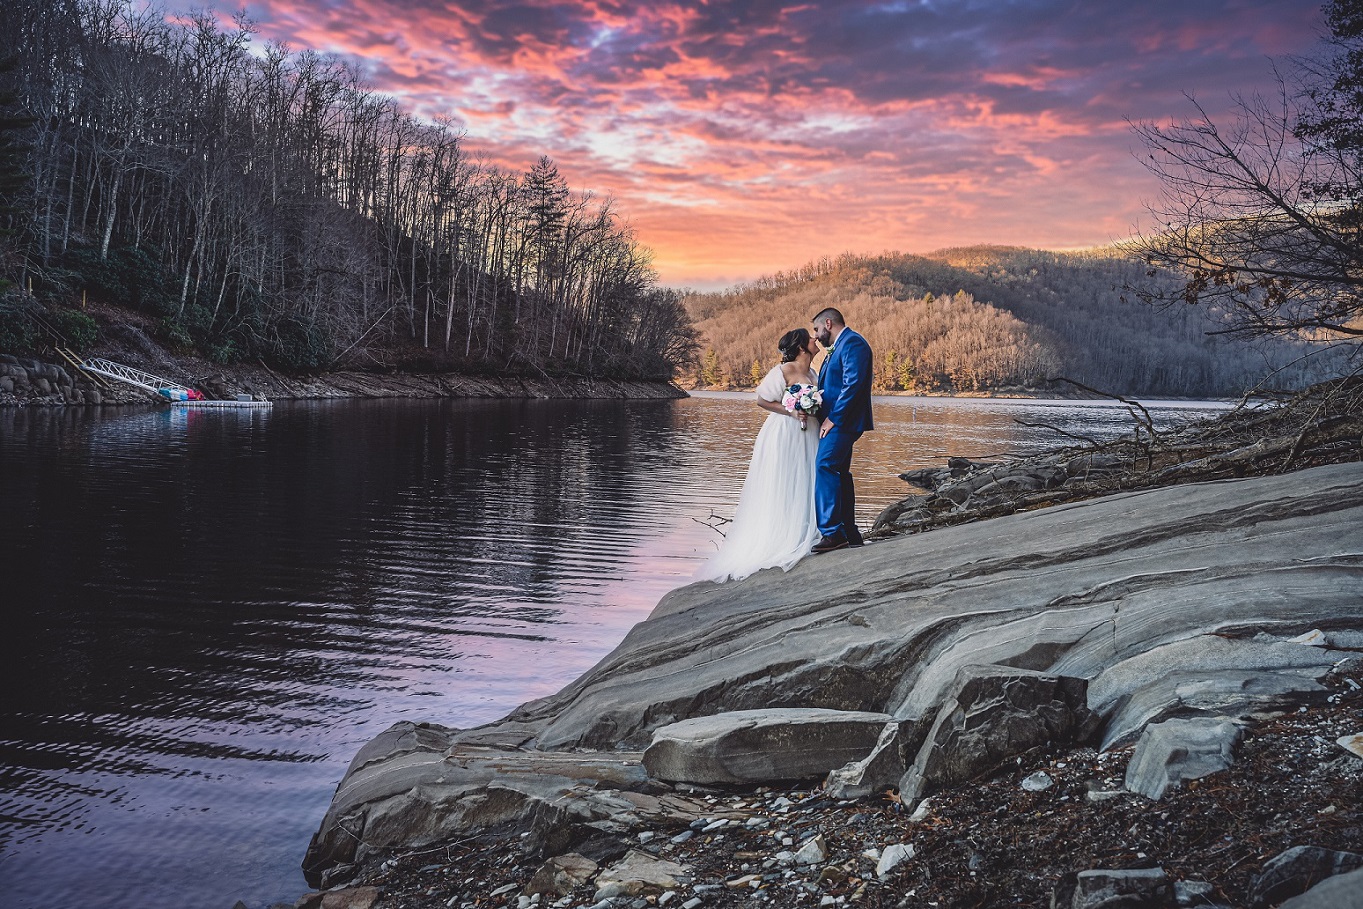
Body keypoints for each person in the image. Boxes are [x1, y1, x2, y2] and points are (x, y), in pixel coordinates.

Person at [694, 328, 823, 583]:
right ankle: (780, 535)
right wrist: (792, 411)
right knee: (783, 481)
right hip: (785, 433)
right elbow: (762, 400)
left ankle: (804, 532)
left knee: (807, 479)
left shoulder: (813, 373)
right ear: (800, 346)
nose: (815, 339)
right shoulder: (783, 371)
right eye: (810, 337)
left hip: (809, 434)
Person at [810, 307, 873, 553]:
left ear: (828, 323)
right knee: (840, 473)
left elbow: (853, 383)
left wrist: (833, 418)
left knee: (825, 466)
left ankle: (832, 533)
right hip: (840, 420)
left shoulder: (853, 343)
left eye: (817, 329)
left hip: (844, 421)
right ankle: (849, 532)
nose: (815, 336)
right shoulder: (840, 345)